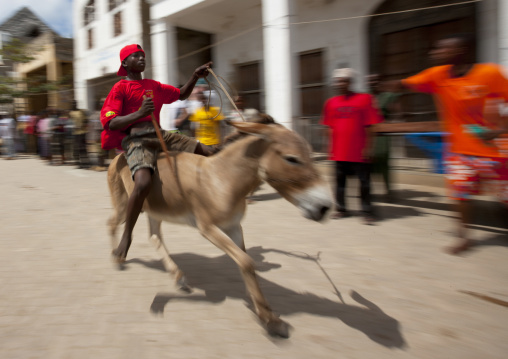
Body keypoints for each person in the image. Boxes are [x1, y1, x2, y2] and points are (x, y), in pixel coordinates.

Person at [390, 34, 508, 254]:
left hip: (496, 151)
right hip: (460, 151)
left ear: (460, 51)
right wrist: (382, 85)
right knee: (460, 196)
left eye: (442, 49)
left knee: (505, 196)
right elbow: (405, 84)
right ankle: (464, 237)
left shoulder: (490, 73)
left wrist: (498, 132)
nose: (436, 53)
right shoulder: (438, 75)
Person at [101, 44, 216, 262]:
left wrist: (194, 76)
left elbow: (181, 94)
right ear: (125, 63)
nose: (141, 58)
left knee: (209, 151)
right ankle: (127, 237)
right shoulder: (120, 88)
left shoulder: (153, 85)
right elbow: (111, 122)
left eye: (143, 55)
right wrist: (139, 114)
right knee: (142, 183)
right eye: (135, 56)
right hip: (137, 141)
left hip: (162, 135)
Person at [321, 68, 382, 224]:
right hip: (339, 152)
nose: (340, 83)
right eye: (338, 81)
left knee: (364, 184)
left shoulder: (365, 99)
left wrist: (369, 148)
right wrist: (328, 147)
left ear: (350, 82)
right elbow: (328, 127)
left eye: (343, 80)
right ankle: (341, 209)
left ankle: (367, 212)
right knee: (340, 183)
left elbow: (371, 126)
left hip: (359, 152)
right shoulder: (331, 103)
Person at [366, 74, 402, 201]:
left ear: (380, 81)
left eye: (375, 80)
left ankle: (388, 191)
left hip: (382, 133)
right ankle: (368, 190)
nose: (372, 82)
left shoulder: (387, 96)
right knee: (368, 162)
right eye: (370, 80)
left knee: (383, 160)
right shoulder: (365, 97)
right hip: (368, 133)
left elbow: (397, 114)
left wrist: (392, 123)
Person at [69, 100, 90, 168]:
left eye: (75, 103)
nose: (74, 105)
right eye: (72, 103)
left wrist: (83, 125)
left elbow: (86, 120)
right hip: (75, 133)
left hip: (82, 132)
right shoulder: (70, 113)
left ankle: (85, 162)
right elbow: (68, 122)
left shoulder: (81, 111)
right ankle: (77, 163)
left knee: (83, 148)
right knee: (76, 148)